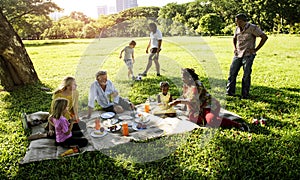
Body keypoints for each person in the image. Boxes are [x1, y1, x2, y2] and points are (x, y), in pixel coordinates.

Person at [169, 68, 249, 131]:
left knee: (211, 120)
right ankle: (203, 117)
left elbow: (192, 100)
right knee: (192, 118)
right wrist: (174, 100)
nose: (182, 79)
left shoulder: (196, 85)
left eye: (184, 77)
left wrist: (177, 102)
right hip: (198, 108)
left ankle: (238, 125)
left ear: (190, 77)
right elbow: (185, 97)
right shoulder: (186, 85)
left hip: (209, 106)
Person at [226, 13, 268, 99]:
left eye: (237, 21)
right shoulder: (237, 28)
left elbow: (264, 37)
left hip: (248, 55)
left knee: (246, 75)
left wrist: (255, 49)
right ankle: (230, 92)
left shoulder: (253, 28)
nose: (236, 23)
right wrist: (235, 48)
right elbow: (234, 38)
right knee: (232, 73)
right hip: (238, 54)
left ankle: (245, 94)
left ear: (242, 21)